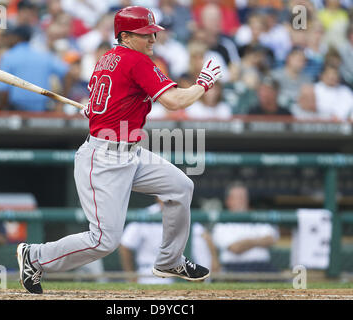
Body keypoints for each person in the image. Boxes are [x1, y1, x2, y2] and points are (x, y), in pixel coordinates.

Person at [17, 6, 221, 294]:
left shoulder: (108, 58)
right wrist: (203, 84)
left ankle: (170, 260)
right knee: (104, 241)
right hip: (104, 158)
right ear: (125, 36)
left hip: (129, 151)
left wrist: (100, 112)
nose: (152, 39)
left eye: (153, 33)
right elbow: (175, 101)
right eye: (145, 34)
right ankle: (35, 256)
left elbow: (106, 99)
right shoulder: (136, 61)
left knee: (180, 187)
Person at [119, 199, 219, 284]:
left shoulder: (180, 213)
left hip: (176, 274)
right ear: (157, 197)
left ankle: (205, 279)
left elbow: (204, 235)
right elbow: (125, 245)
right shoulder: (146, 215)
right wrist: (130, 275)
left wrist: (214, 260)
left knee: (198, 240)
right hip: (148, 273)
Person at [0, 24, 77, 112]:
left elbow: (3, 90)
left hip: (16, 111)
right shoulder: (43, 55)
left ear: (16, 37)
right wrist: (61, 102)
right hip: (41, 111)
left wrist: (1, 110)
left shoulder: (9, 56)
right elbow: (69, 74)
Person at [211, 181, 280, 272]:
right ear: (229, 201)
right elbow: (235, 248)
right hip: (234, 269)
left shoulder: (257, 217)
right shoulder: (222, 224)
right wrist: (258, 241)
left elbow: (271, 239)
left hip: (263, 267)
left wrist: (245, 243)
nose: (242, 200)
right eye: (238, 197)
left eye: (244, 197)